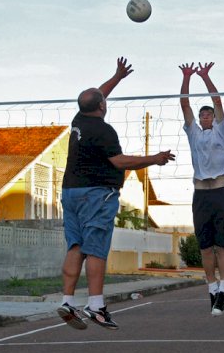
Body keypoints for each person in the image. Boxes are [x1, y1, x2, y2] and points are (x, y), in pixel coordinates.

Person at [57, 57, 175, 330]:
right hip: (96, 194)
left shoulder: (79, 120)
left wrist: (117, 77)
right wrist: (154, 158)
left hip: (70, 192)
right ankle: (96, 306)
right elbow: (119, 162)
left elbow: (97, 94)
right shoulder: (104, 130)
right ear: (101, 106)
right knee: (96, 249)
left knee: (75, 246)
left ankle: (67, 300)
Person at [179, 61, 224, 316]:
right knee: (204, 246)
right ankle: (211, 287)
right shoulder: (194, 134)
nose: (205, 117)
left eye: (208, 114)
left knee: (221, 244)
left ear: (213, 117)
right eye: (202, 115)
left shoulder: (221, 131)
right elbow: (184, 104)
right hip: (201, 193)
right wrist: (187, 77)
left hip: (220, 192)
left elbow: (218, 101)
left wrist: (205, 77)